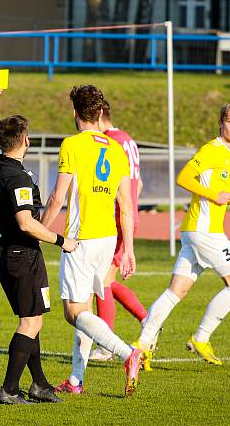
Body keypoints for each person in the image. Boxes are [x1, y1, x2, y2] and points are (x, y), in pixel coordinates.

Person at [134, 103, 230, 366]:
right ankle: (201, 337)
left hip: (196, 231)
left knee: (175, 291)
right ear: (221, 123)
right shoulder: (211, 150)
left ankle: (141, 346)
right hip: (206, 232)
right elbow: (184, 177)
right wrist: (214, 194)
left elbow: (221, 199)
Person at [41, 85, 144, 397]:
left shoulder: (71, 145)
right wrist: (129, 249)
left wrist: (39, 231)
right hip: (108, 240)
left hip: (80, 240)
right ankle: (76, 380)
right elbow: (126, 205)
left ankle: (127, 353)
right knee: (85, 309)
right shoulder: (116, 149)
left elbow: (58, 196)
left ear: (75, 114)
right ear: (100, 114)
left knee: (73, 313)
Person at [0, 86, 77, 405]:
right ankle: (9, 390)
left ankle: (39, 384)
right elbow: (25, 222)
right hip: (21, 253)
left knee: (31, 315)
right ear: (26, 141)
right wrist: (63, 241)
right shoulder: (18, 178)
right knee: (31, 321)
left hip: (4, 251)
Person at [90, 100, 150, 365]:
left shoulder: (109, 143)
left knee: (102, 283)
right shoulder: (128, 140)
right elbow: (138, 186)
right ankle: (147, 319)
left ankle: (107, 344)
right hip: (127, 216)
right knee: (105, 280)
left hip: (116, 219)